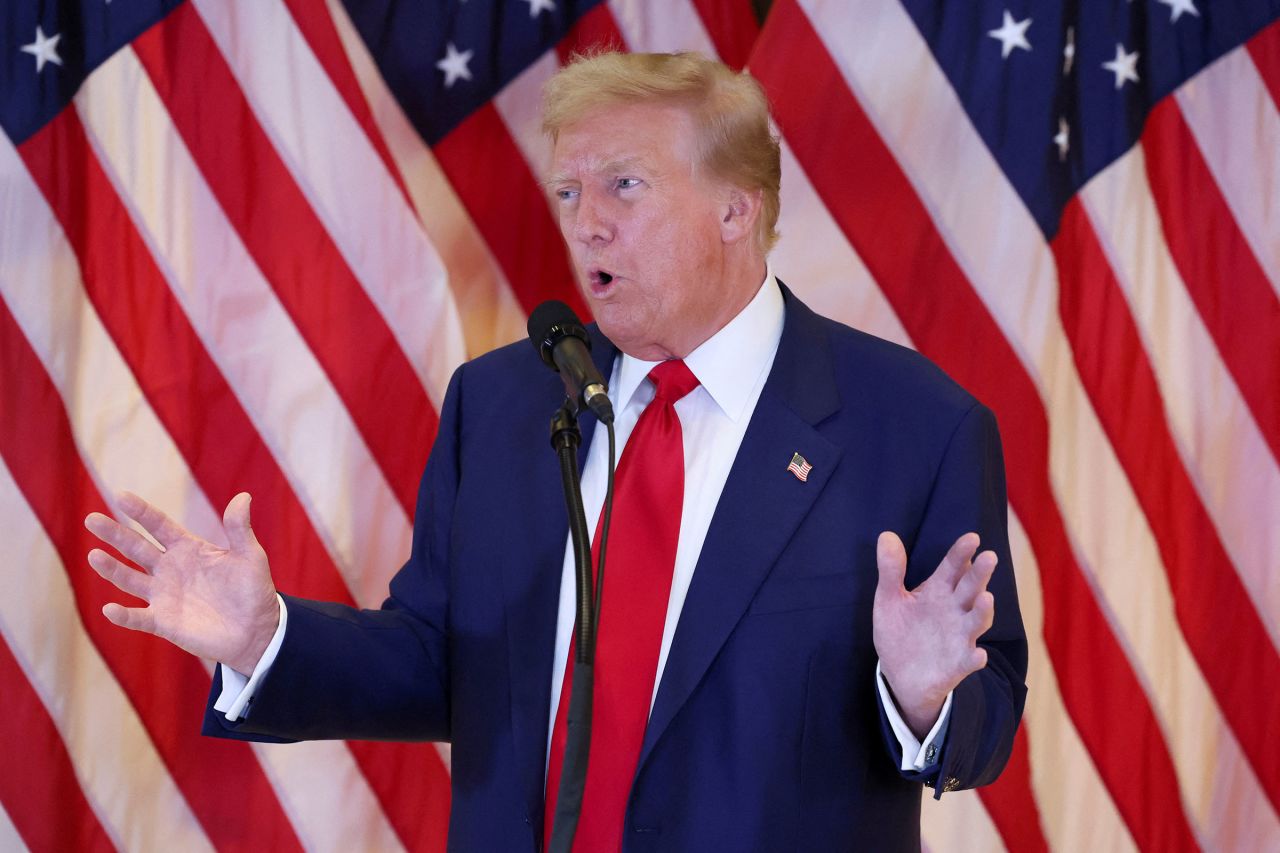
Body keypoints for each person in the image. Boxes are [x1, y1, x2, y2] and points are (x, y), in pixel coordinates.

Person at [85, 51, 1027, 851]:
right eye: (572, 191)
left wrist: (921, 698)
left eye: (625, 185)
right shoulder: (500, 403)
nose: (586, 224)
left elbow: (988, 717)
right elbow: (436, 660)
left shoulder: (912, 425)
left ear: (737, 209)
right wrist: (267, 639)